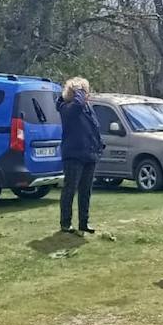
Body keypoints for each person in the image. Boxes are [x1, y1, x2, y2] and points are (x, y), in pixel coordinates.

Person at [56, 77, 103, 235]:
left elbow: (94, 128)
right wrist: (79, 90)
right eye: (83, 92)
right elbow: (77, 104)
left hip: (89, 154)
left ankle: (84, 222)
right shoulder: (67, 108)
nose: (86, 94)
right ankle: (65, 223)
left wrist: (98, 147)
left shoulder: (87, 108)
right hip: (74, 155)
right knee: (70, 189)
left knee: (86, 191)